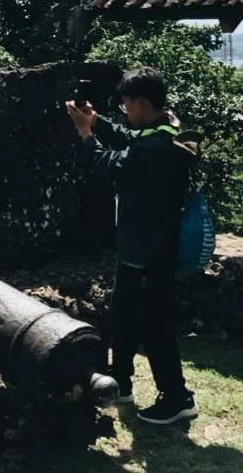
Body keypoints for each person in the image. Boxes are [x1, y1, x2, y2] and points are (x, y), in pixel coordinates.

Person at [66, 66, 199, 425]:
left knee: (154, 323)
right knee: (123, 314)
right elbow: (130, 137)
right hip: (142, 242)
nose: (124, 109)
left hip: (149, 248)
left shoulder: (155, 147)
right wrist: (98, 121)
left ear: (140, 102)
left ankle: (177, 397)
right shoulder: (167, 128)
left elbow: (109, 163)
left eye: (126, 103)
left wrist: (85, 133)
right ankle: (120, 382)